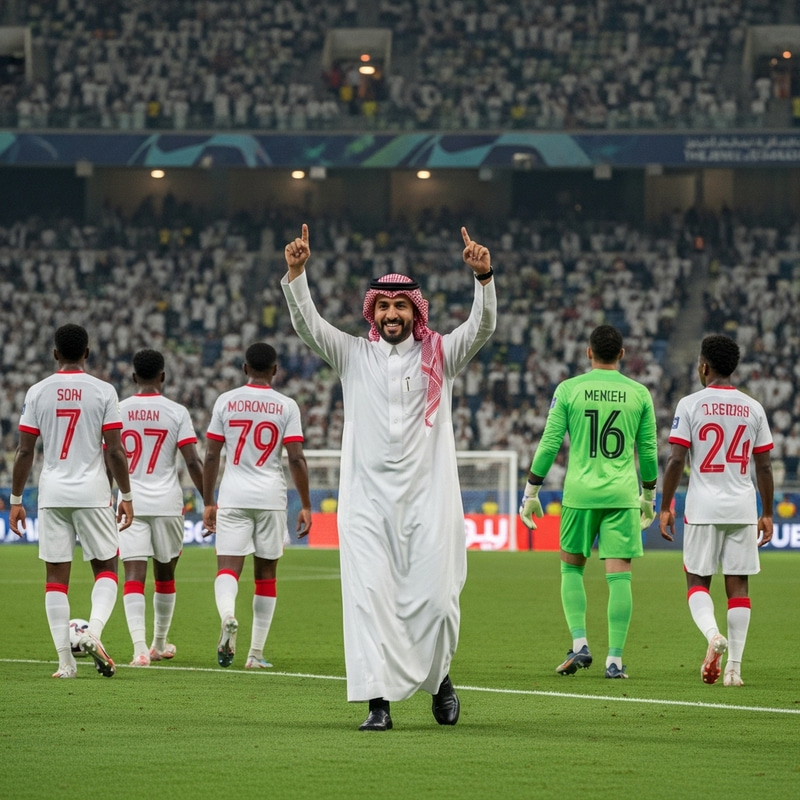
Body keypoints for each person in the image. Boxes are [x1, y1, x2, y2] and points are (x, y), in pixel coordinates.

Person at [282, 223, 496, 731]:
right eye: (384, 307)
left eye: (401, 306)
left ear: (415, 311)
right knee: (367, 601)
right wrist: (297, 274)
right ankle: (378, 703)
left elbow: (481, 328)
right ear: (372, 312)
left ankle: (440, 680)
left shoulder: (440, 354)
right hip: (367, 505)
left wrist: (483, 279)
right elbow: (310, 326)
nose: (392, 314)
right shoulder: (353, 355)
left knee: (440, 600)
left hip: (431, 499)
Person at [520, 324, 658, 680]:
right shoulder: (639, 392)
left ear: (588, 352)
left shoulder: (569, 389)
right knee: (620, 577)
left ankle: (580, 643)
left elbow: (550, 444)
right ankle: (614, 661)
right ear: (622, 355)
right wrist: (649, 495)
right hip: (623, 495)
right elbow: (648, 449)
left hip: (580, 494)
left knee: (571, 568)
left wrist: (531, 491)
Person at [9, 323, 133, 678]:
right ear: (87, 353)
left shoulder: (37, 392)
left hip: (53, 492)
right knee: (107, 569)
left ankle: (65, 663)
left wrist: (16, 499)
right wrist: (126, 495)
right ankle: (92, 631)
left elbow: (25, 450)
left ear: (54, 354)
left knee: (55, 579)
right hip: (93, 493)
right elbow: (115, 452)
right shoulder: (104, 391)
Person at [659, 334, 774, 687]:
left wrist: (665, 506)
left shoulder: (690, 404)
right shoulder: (753, 407)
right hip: (741, 507)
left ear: (704, 366)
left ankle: (713, 636)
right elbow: (765, 466)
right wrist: (766, 512)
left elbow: (677, 459)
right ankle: (734, 670)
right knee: (739, 587)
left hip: (703, 507)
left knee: (697, 581)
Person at [202, 342, 312, 669]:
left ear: (245, 369)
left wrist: (209, 501)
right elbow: (296, 457)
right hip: (270, 497)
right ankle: (254, 654)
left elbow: (210, 455)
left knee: (227, 567)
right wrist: (305, 504)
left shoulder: (226, 401)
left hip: (233, 494)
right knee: (266, 574)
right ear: (275, 370)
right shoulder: (286, 406)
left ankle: (228, 615)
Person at [116, 349, 204, 667]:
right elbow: (192, 460)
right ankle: (158, 643)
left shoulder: (118, 409)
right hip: (167, 503)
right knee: (165, 575)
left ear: (133, 376)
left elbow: (108, 457)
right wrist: (209, 500)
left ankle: (140, 649)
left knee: (133, 575)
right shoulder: (177, 412)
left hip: (130, 502)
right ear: (163, 376)